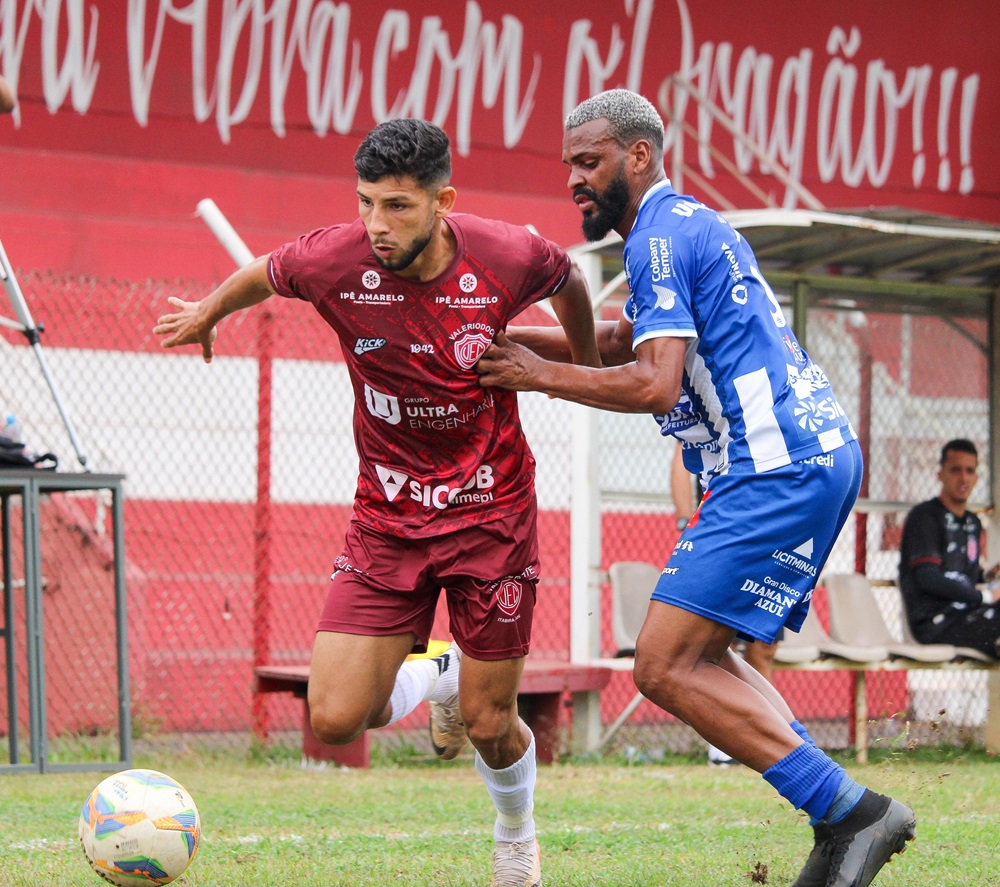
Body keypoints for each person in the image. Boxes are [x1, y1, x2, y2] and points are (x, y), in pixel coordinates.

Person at [476, 89, 915, 887]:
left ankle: (852, 810)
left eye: (590, 160)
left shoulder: (655, 240)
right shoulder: (684, 225)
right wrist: (498, 345)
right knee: (701, 650)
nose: (575, 179)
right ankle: (838, 817)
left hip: (772, 465)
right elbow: (621, 340)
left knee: (661, 663)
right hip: (808, 456)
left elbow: (652, 381)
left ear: (638, 156)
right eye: (569, 164)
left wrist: (539, 375)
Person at [154, 118, 600, 887]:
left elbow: (572, 282)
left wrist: (583, 368)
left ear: (442, 201)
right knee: (333, 717)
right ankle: (440, 676)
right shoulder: (337, 258)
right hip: (387, 515)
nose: (376, 224)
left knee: (494, 724)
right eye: (365, 203)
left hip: (490, 511)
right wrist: (205, 313)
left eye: (396, 206)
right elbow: (263, 270)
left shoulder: (505, 254)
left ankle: (516, 835)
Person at [671, 444, 779, 766]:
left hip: (767, 532)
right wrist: (683, 520)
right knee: (717, 643)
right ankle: (723, 741)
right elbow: (681, 450)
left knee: (764, 645)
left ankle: (762, 735)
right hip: (721, 527)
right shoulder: (712, 404)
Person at [899, 438, 1000, 658]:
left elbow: (963, 576)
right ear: (940, 474)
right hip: (936, 624)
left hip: (971, 615)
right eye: (955, 470)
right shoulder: (925, 517)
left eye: (970, 471)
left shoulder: (973, 522)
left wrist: (989, 576)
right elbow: (928, 577)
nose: (963, 478)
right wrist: (986, 596)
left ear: (976, 477)